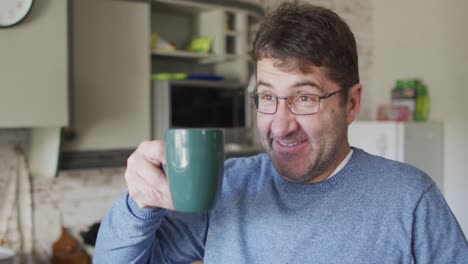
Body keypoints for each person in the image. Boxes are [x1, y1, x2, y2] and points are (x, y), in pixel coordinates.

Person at [94, 1, 468, 263]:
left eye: (305, 98)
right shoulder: (226, 189)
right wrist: (138, 204)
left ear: (351, 104)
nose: (281, 124)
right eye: (267, 97)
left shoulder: (410, 199)